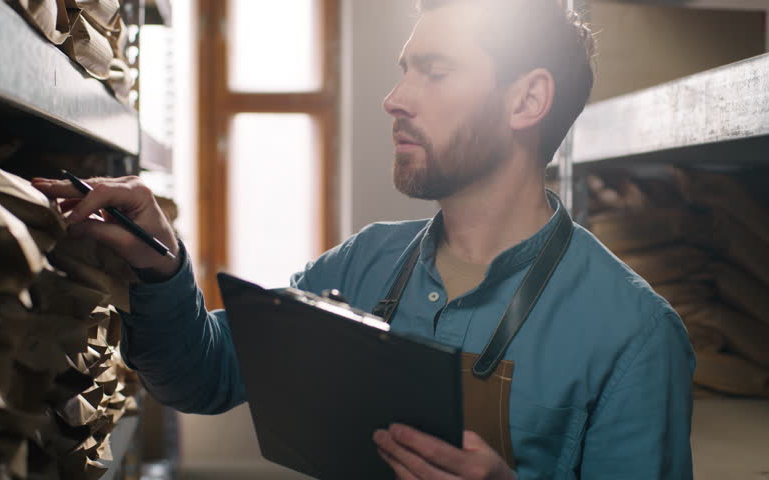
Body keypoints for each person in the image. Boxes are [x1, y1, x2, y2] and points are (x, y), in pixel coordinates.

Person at [34, 0, 695, 478]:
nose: (394, 98)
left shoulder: (635, 337)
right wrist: (161, 265)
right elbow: (204, 378)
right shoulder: (366, 263)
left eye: (433, 71)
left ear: (527, 102)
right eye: (405, 69)